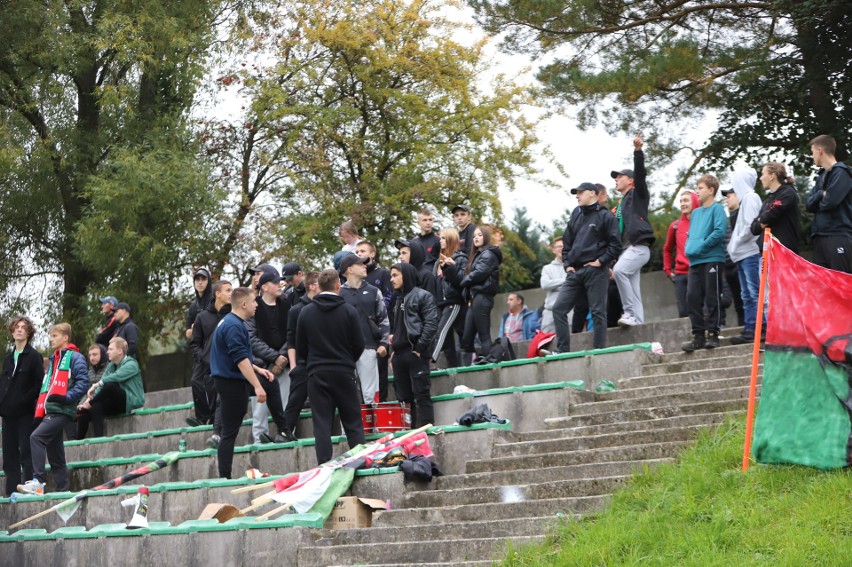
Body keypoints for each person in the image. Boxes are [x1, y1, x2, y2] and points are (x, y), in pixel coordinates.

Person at [295, 269, 365, 465]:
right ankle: (359, 460)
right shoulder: (349, 311)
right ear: (338, 286)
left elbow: (300, 347)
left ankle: (324, 464)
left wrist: (310, 364)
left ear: (319, 287)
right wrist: (347, 360)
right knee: (352, 421)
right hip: (344, 371)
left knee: (322, 423)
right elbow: (359, 344)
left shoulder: (306, 312)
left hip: (317, 374)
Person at [209, 287, 274, 478]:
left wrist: (257, 369)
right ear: (244, 304)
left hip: (228, 380)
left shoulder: (230, 322)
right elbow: (240, 360)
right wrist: (257, 385)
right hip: (230, 383)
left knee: (230, 430)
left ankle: (285, 428)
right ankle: (224, 476)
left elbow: (239, 357)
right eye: (254, 301)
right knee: (229, 432)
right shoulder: (233, 326)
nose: (257, 305)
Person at [18, 323, 88, 494]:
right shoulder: (54, 359)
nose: (51, 339)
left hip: (63, 409)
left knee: (36, 438)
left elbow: (83, 382)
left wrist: (66, 398)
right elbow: (47, 387)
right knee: (55, 453)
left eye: (55, 336)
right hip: (52, 409)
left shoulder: (75, 357)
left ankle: (38, 481)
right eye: (50, 336)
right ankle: (62, 490)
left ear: (65, 338)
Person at [552, 182, 622, 353]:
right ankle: (562, 351)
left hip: (596, 271)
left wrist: (601, 261)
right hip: (575, 272)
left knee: (598, 312)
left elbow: (616, 245)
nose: (577, 195)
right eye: (576, 193)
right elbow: (567, 242)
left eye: (580, 192)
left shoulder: (606, 216)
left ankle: (599, 351)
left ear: (592, 193)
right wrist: (567, 265)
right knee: (558, 309)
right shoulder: (576, 214)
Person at [612, 132, 655, 328]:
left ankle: (628, 313)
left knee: (620, 271)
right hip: (626, 249)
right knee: (634, 288)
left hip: (639, 246)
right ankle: (638, 322)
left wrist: (638, 152)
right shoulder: (620, 205)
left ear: (630, 180)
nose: (616, 179)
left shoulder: (638, 195)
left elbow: (641, 174)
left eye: (620, 176)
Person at [245, 267, 292, 444]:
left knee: (286, 404)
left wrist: (281, 358)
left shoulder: (286, 304)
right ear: (264, 287)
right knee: (260, 407)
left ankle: (284, 435)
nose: (280, 285)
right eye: (275, 282)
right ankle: (259, 440)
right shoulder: (254, 306)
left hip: (284, 364)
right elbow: (251, 338)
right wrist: (274, 358)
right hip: (262, 366)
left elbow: (292, 333)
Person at [389, 263, 439, 428]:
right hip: (399, 355)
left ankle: (427, 432)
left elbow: (431, 324)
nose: (392, 279)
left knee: (422, 394)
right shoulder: (397, 299)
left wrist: (419, 348)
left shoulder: (423, 296)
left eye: (395, 275)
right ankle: (409, 433)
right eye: (391, 276)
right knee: (403, 399)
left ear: (406, 275)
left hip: (415, 353)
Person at [682, 175, 728, 351]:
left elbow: (719, 232)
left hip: (712, 259)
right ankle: (698, 335)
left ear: (711, 190)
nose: (697, 191)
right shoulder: (695, 213)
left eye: (700, 188)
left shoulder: (717, 209)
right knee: (692, 298)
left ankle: (713, 334)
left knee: (712, 296)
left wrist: (701, 246)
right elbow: (692, 234)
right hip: (695, 261)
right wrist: (691, 245)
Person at [186, 280, 232, 446]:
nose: (231, 293)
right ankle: (206, 418)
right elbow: (194, 344)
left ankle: (217, 430)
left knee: (220, 397)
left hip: (227, 364)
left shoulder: (232, 315)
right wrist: (205, 358)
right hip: (206, 363)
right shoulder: (202, 317)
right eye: (228, 290)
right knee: (202, 387)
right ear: (217, 294)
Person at [340, 254, 390, 404]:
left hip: (368, 346)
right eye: (360, 264)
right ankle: (348, 428)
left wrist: (383, 343)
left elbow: (384, 319)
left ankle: (373, 427)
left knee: (371, 394)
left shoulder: (374, 291)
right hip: (344, 351)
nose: (365, 266)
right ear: (350, 269)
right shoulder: (338, 294)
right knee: (347, 394)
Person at [0, 316, 42, 496]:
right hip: (7, 413)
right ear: (12, 331)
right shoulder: (8, 358)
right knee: (9, 455)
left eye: (23, 328)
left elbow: (38, 383)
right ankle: (11, 492)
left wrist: (24, 399)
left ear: (28, 332)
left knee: (26, 451)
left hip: (25, 412)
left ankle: (28, 489)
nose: (19, 330)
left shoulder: (33, 356)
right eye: (16, 327)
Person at [723, 167, 763, 344]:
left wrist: (736, 243)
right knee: (746, 295)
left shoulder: (751, 198)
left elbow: (750, 227)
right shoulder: (745, 200)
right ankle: (750, 328)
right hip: (741, 254)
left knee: (754, 293)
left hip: (750, 253)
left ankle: (762, 327)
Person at [76, 337, 144, 438]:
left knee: (110, 385)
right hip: (117, 402)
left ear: (120, 351)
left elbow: (115, 376)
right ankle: (94, 440)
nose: (107, 352)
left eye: (110, 349)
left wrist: (96, 386)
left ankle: (90, 404)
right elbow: (102, 385)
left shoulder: (131, 364)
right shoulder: (111, 365)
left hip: (131, 402)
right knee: (91, 408)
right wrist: (88, 402)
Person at [281, 271, 320, 441]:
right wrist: (293, 365)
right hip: (302, 363)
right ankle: (285, 432)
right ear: (312, 286)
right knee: (295, 399)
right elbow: (290, 339)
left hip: (320, 361)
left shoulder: (323, 307)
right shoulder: (296, 310)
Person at [805, 134, 852, 273]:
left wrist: (819, 200)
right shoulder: (820, 176)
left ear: (820, 151)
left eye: (812, 152)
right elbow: (808, 205)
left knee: (842, 285)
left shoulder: (842, 173)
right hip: (819, 236)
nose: (812, 156)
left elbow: (829, 203)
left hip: (838, 235)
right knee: (822, 287)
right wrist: (821, 194)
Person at [459, 226, 502, 365]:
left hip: (483, 296)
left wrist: (464, 281)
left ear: (486, 237)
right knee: (466, 339)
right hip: (475, 297)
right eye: (474, 236)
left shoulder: (488, 254)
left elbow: (479, 274)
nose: (476, 238)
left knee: (484, 334)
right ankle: (468, 368)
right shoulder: (478, 254)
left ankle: (490, 364)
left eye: (479, 235)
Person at [355, 241, 393, 400]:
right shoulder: (354, 279)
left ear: (372, 254)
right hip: (359, 336)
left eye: (362, 251)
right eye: (356, 252)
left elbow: (390, 297)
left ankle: (381, 409)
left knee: (380, 376)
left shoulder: (382, 274)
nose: (358, 254)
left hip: (378, 332)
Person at [430, 227, 468, 366]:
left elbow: (462, 281)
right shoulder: (436, 262)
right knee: (447, 342)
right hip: (440, 303)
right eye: (440, 238)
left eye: (443, 238)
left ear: (451, 240)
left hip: (454, 301)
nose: (440, 241)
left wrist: (450, 267)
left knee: (442, 331)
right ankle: (453, 368)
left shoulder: (460, 258)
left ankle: (429, 358)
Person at [662, 191, 700, 317]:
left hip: (698, 272)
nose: (683, 204)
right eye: (681, 201)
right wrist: (668, 270)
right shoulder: (675, 226)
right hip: (680, 275)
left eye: (686, 200)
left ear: (694, 202)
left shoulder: (701, 223)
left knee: (699, 309)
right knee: (683, 312)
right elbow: (667, 249)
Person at [751, 162, 800, 253]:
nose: (760, 178)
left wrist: (762, 219)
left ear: (772, 176)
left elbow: (769, 215)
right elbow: (754, 228)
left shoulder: (788, 193)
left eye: (763, 174)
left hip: (783, 253)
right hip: (767, 253)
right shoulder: (768, 200)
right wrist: (764, 219)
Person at [540, 238, 566, 333]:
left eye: (564, 246)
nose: (561, 249)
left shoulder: (573, 266)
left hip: (570, 311)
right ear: (553, 250)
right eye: (559, 246)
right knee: (547, 342)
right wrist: (565, 280)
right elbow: (545, 284)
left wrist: (554, 285)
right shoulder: (547, 268)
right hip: (550, 312)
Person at [185, 268, 213, 339]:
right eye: (197, 279)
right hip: (200, 348)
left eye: (203, 279)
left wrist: (196, 327)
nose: (200, 282)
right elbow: (188, 333)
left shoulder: (215, 301)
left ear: (208, 282)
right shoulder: (193, 306)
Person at [413, 208, 441, 272]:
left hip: (432, 276)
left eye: (430, 220)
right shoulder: (414, 243)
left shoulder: (438, 240)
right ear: (418, 223)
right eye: (425, 220)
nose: (428, 223)